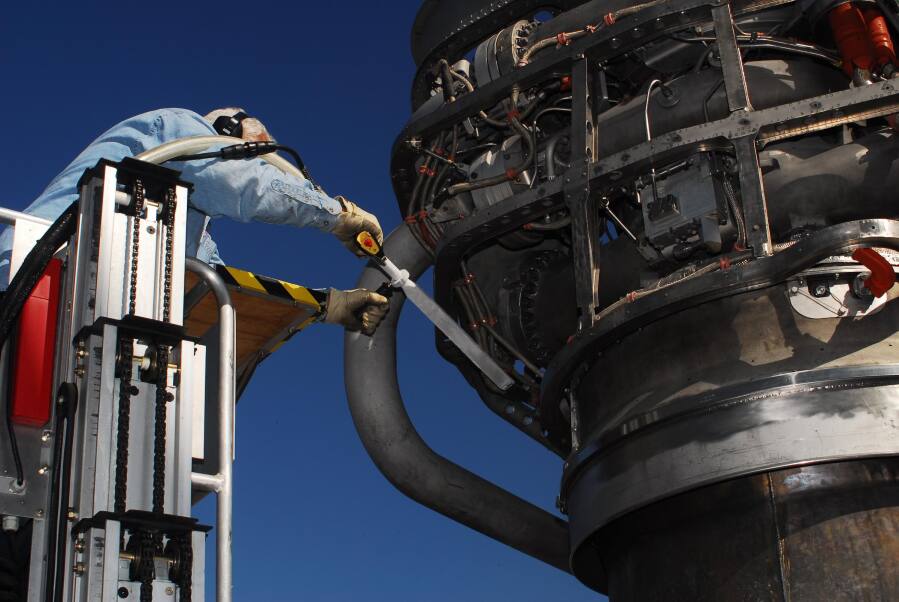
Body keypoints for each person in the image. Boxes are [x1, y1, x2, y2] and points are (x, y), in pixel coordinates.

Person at [0, 108, 389, 335]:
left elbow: (217, 290)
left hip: (86, 313)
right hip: (36, 278)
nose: (265, 163)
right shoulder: (178, 129)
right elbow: (240, 182)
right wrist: (337, 215)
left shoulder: (190, 231)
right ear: (230, 131)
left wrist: (329, 305)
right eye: (259, 151)